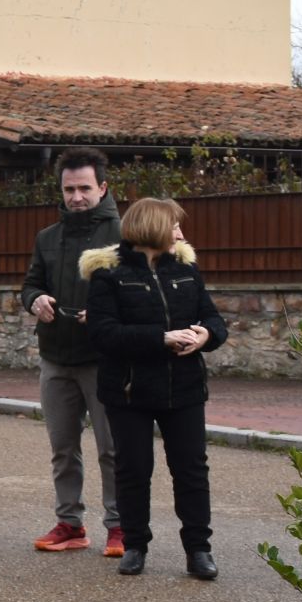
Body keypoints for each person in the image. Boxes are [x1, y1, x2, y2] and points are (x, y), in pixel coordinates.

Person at [81, 198, 227, 579]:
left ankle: (198, 550)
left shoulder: (186, 269)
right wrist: (160, 338)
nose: (181, 233)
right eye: (174, 226)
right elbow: (102, 334)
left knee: (192, 471)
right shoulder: (108, 276)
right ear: (152, 228)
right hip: (128, 392)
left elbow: (213, 317)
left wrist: (206, 334)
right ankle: (134, 546)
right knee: (133, 470)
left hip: (185, 388)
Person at [19, 147, 123, 557]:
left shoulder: (124, 235)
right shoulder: (47, 238)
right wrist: (35, 300)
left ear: (103, 187)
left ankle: (120, 526)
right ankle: (69, 523)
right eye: (69, 189)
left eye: (84, 188)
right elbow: (29, 284)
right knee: (63, 448)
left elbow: (140, 294)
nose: (76, 197)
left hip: (104, 360)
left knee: (112, 449)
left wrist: (102, 314)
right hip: (56, 358)